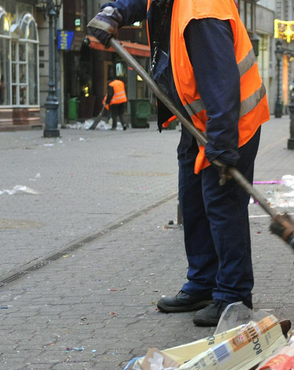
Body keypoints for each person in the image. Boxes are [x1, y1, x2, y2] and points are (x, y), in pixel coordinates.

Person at [87, 0, 269, 327]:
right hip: (197, 120)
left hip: (229, 122)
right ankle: (203, 283)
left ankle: (233, 296)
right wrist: (114, 12)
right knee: (193, 200)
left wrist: (223, 145)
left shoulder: (202, 11)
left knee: (223, 205)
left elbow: (222, 84)